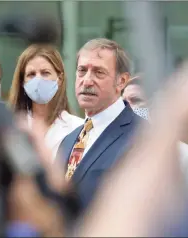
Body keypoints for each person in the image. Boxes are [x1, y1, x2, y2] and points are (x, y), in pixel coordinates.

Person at [56, 38, 145, 209]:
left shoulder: (141, 136)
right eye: (82, 71)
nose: (87, 81)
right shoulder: (68, 141)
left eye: (99, 72)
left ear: (121, 81)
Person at [8, 44, 84, 158]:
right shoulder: (10, 127)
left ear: (60, 79)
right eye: (31, 74)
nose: (38, 79)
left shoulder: (78, 128)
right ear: (22, 82)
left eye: (45, 73)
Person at [122, 74, 188, 186]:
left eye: (135, 100)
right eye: (124, 102)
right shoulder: (117, 153)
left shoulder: (185, 157)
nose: (127, 108)